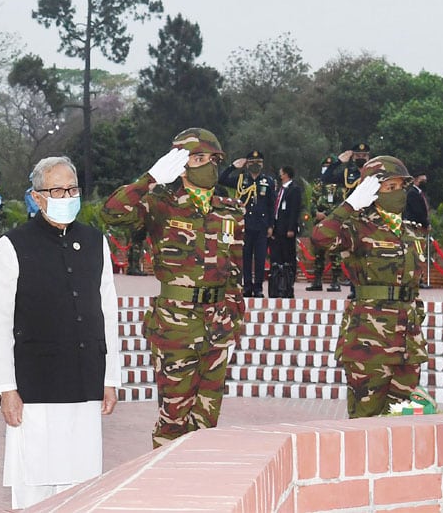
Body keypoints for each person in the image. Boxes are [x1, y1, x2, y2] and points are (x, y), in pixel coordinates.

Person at [0, 156, 120, 509]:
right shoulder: (12, 246)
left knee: (83, 485)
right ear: (37, 196)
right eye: (58, 189)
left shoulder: (96, 242)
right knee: (35, 486)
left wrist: (110, 377)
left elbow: (107, 311)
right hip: (35, 388)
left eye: (73, 189)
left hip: (85, 381)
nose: (67, 196)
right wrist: (6, 389)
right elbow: (0, 321)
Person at [102, 127, 245, 448]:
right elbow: (112, 212)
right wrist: (149, 178)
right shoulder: (160, 203)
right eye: (197, 158)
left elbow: (235, 268)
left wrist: (235, 321)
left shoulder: (230, 208)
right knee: (173, 416)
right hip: (176, 326)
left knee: (207, 418)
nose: (206, 165)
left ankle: (197, 484)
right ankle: (164, 485)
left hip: (219, 322)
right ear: (180, 164)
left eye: (211, 158)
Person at [311, 156, 428, 418]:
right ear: (372, 192)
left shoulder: (411, 232)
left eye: (400, 187)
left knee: (402, 422)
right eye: (389, 188)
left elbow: (411, 285)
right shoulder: (356, 228)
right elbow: (319, 239)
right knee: (366, 424)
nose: (397, 193)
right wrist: (350, 205)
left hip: (407, 345)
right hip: (369, 343)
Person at [218, 149, 275, 297]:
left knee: (261, 258)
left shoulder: (268, 181)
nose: (255, 164)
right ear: (247, 164)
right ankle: (247, 286)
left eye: (258, 162)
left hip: (262, 226)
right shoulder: (241, 179)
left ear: (262, 164)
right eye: (252, 162)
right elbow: (221, 179)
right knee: (246, 257)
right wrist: (233, 167)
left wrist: (270, 225)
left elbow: (271, 205)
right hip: (245, 224)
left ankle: (258, 288)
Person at [321, 143, 370, 299]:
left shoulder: (375, 174)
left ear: (368, 157)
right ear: (353, 157)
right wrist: (338, 162)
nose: (361, 158)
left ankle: (366, 289)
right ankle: (355, 289)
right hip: (351, 219)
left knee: (369, 256)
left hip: (370, 220)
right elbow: (326, 178)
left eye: (364, 156)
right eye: (358, 156)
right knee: (352, 255)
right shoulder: (348, 172)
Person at [307, 155, 344, 292]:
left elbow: (341, 204)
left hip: (333, 224)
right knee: (318, 254)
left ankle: (335, 281)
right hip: (319, 223)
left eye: (328, 167)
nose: (326, 169)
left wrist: (328, 216)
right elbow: (312, 202)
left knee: (335, 253)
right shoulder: (318, 183)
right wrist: (316, 213)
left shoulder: (339, 185)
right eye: (324, 166)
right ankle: (317, 281)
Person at [269, 166, 302, 298]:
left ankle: (288, 284)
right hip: (277, 228)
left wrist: (291, 228)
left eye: (281, 173)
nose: (279, 175)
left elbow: (294, 210)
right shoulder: (279, 189)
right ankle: (277, 284)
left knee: (288, 256)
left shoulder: (294, 189)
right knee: (276, 257)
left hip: (287, 229)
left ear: (286, 174)